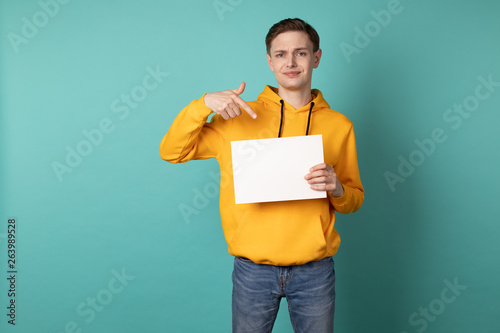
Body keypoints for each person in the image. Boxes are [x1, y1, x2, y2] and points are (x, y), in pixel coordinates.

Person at [160, 18, 364, 333]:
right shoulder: (237, 117)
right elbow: (171, 151)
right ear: (269, 62)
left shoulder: (339, 125)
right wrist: (202, 105)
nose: (291, 62)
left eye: (301, 53)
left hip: (315, 272)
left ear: (317, 58)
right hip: (253, 271)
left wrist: (337, 187)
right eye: (281, 54)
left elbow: (353, 202)